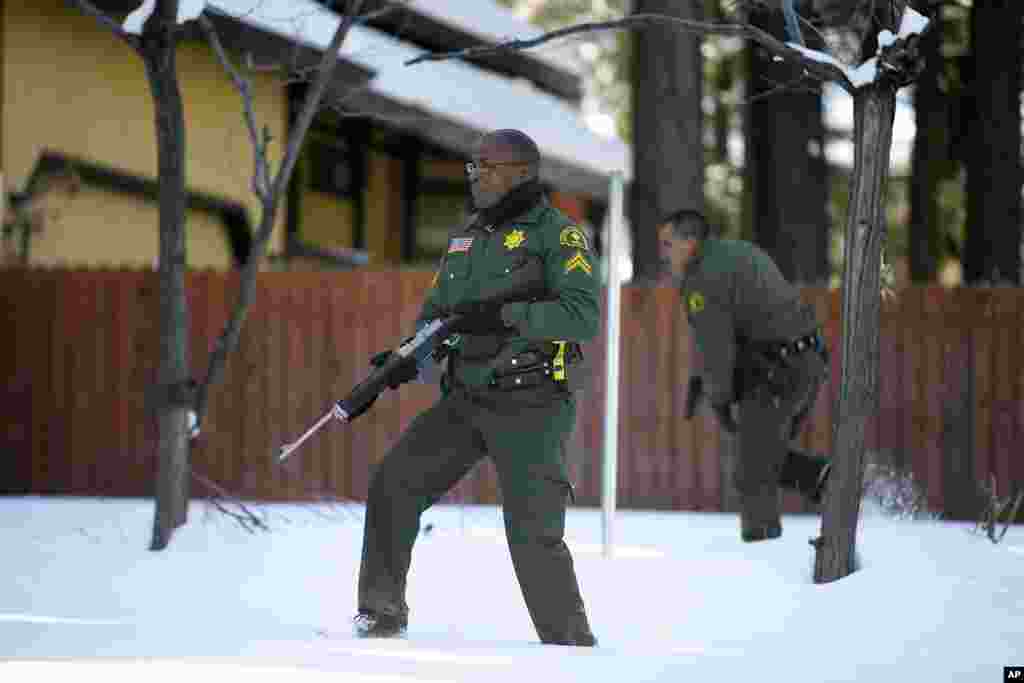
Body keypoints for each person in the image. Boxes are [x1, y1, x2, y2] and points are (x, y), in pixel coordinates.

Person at [351, 129, 599, 646]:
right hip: (466, 397)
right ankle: (380, 612)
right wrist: (402, 360)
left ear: (521, 173)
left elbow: (581, 317)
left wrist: (504, 315)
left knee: (533, 535)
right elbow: (439, 317)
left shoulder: (559, 236)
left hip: (532, 402)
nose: (475, 175)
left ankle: (571, 648)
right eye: (473, 166)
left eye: (486, 167)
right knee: (395, 484)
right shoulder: (469, 236)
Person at [658, 209, 832, 542]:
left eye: (668, 244)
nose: (664, 255)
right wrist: (705, 378)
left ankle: (765, 555)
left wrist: (719, 398)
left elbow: (717, 346)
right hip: (804, 362)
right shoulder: (733, 252)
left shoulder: (703, 276)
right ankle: (825, 481)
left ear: (690, 242)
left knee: (753, 471)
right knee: (761, 458)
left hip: (776, 371)